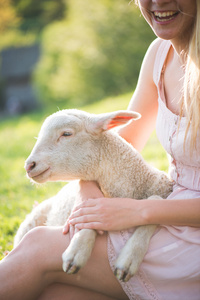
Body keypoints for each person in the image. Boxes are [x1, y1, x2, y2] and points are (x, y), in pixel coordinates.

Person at [0, 0, 200, 299]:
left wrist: (138, 211)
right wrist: (89, 192)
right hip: (165, 212)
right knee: (54, 293)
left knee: (37, 246)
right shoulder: (160, 54)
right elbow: (120, 145)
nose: (158, 2)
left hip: (185, 232)